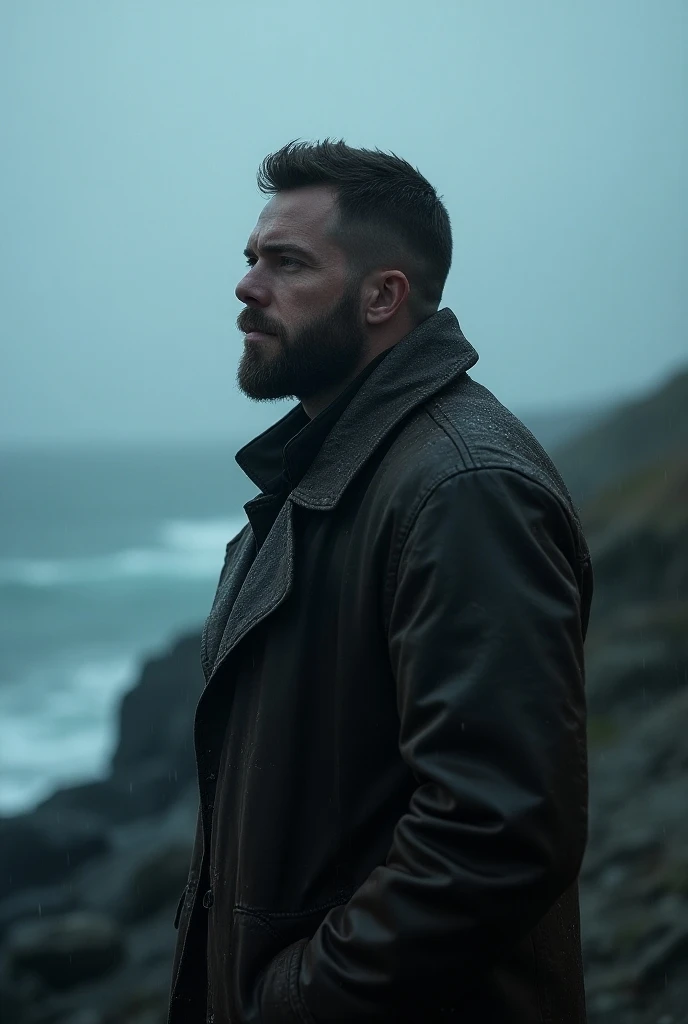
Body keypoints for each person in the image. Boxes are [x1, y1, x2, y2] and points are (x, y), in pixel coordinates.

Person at [168, 139, 592, 1024]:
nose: (247, 287)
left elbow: (495, 835)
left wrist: (284, 1001)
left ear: (383, 295)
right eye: (251, 260)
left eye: (287, 263)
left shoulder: (463, 487)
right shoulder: (323, 475)